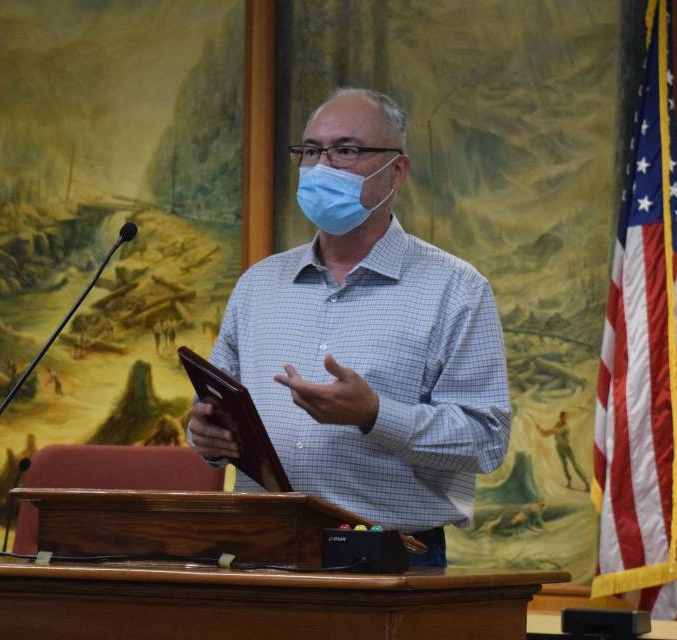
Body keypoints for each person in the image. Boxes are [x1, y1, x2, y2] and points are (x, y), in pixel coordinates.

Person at [187, 87, 511, 566]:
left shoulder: (455, 290)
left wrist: (374, 415)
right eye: (312, 151)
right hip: (257, 552)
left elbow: (485, 440)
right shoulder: (259, 285)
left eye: (346, 150)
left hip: (385, 559)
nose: (322, 167)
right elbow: (212, 410)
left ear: (396, 171)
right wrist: (205, 437)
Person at [534, 411, 589, 492]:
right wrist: (539, 429)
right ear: (561, 417)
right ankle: (569, 482)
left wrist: (547, 430)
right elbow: (545, 435)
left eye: (566, 417)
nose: (566, 418)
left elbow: (555, 431)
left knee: (575, 465)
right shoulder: (558, 424)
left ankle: (587, 484)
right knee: (564, 465)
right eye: (564, 416)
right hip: (559, 447)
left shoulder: (566, 427)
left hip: (566, 448)